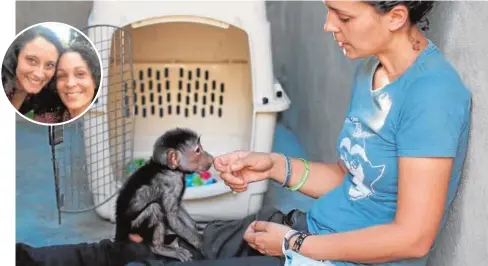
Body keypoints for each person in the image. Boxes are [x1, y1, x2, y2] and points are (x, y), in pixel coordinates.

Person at [15, 1, 472, 266]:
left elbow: (413, 237)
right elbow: (359, 182)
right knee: (142, 247)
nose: (328, 26)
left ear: (394, 16)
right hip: (305, 231)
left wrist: (295, 246)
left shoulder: (432, 95)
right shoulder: (373, 71)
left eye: (343, 16)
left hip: (325, 255)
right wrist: (275, 166)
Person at [1, 25, 64, 121]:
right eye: (32, 60)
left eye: (49, 65)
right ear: (16, 56)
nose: (39, 74)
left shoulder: (44, 96)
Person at [50, 41, 101, 122]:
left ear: (95, 80)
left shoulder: (100, 119)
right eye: (62, 75)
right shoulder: (47, 120)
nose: (70, 84)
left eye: (80, 74)